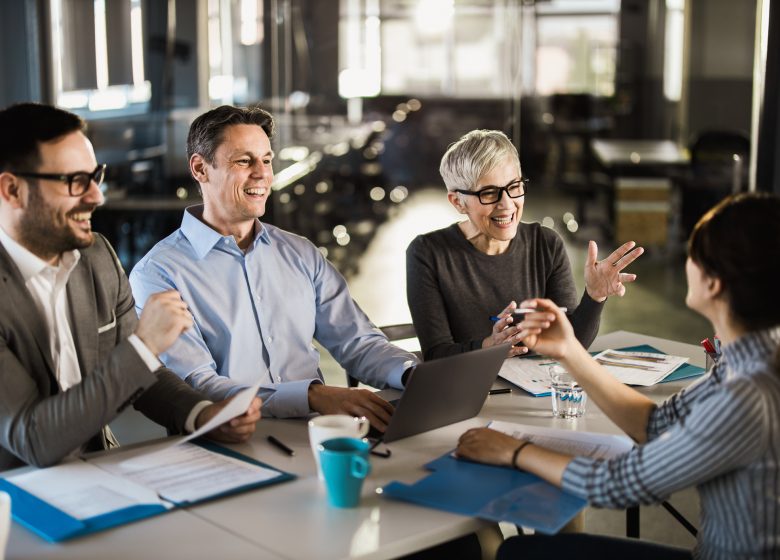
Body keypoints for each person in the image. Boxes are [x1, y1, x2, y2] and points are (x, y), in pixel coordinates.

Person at [456, 192, 780, 559]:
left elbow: (622, 484)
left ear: (714, 283)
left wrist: (514, 451)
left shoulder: (746, 395)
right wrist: (570, 351)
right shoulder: (753, 360)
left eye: (694, 256)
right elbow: (658, 424)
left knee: (520, 553)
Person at [0, 103, 261, 472]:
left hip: (100, 471)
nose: (96, 196)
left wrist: (203, 415)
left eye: (95, 176)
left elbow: (142, 374)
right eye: (75, 181)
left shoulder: (95, 256)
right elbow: (34, 439)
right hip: (15, 498)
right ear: (12, 190)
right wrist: (144, 345)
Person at [129, 105, 418, 431]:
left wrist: (411, 373)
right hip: (228, 439)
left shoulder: (299, 252)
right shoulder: (159, 272)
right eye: (244, 161)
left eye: (266, 160)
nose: (262, 173)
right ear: (200, 168)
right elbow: (197, 384)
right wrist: (312, 397)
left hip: (314, 435)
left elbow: (356, 341)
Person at [406, 129, 643, 360]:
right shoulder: (427, 254)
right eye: (489, 193)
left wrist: (594, 297)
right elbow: (436, 355)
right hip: (467, 391)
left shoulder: (546, 244)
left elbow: (570, 344)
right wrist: (488, 346)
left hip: (534, 389)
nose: (507, 205)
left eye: (514, 187)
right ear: (458, 202)